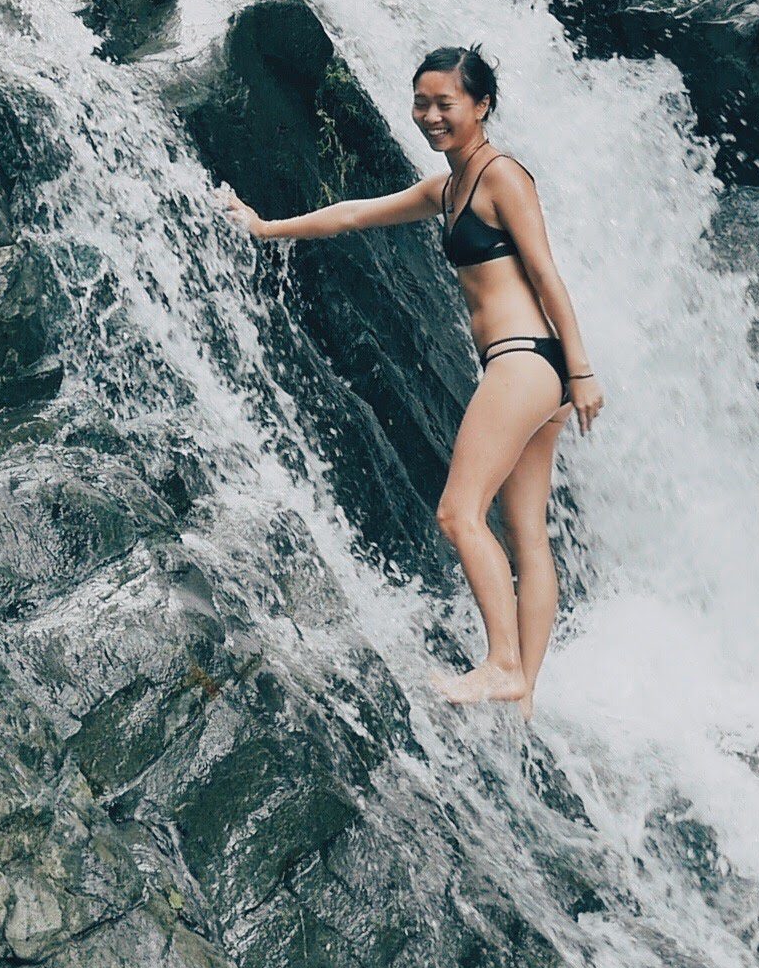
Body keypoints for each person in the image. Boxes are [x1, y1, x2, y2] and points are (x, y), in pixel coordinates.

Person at [214, 45, 603, 706]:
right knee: (527, 538)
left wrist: (583, 369)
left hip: (525, 361)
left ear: (480, 106)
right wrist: (263, 227)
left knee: (459, 513)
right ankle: (525, 696)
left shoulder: (503, 176)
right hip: (534, 373)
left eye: (444, 103)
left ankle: (504, 664)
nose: (429, 115)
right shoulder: (447, 189)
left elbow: (544, 273)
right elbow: (352, 215)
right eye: (421, 102)